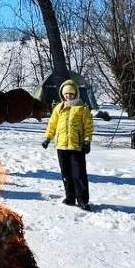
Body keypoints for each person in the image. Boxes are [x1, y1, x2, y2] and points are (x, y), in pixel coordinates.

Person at [42, 79, 94, 211]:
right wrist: (48, 138)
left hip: (77, 146)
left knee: (79, 174)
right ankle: (70, 197)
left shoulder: (82, 108)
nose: (68, 96)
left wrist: (87, 141)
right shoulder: (58, 108)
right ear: (62, 95)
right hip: (61, 146)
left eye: (71, 94)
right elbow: (52, 125)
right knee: (66, 173)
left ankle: (82, 200)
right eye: (66, 94)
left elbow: (88, 127)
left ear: (75, 94)